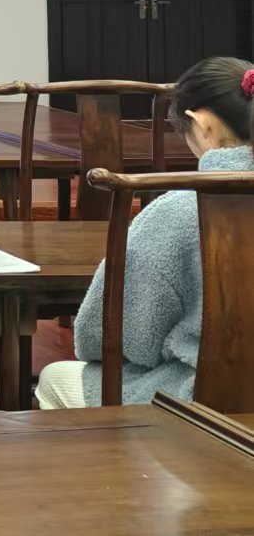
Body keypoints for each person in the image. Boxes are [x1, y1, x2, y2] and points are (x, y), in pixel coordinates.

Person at [35, 57, 254, 410]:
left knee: (54, 378)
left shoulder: (178, 212)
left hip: (208, 404)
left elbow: (105, 337)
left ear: (202, 124)